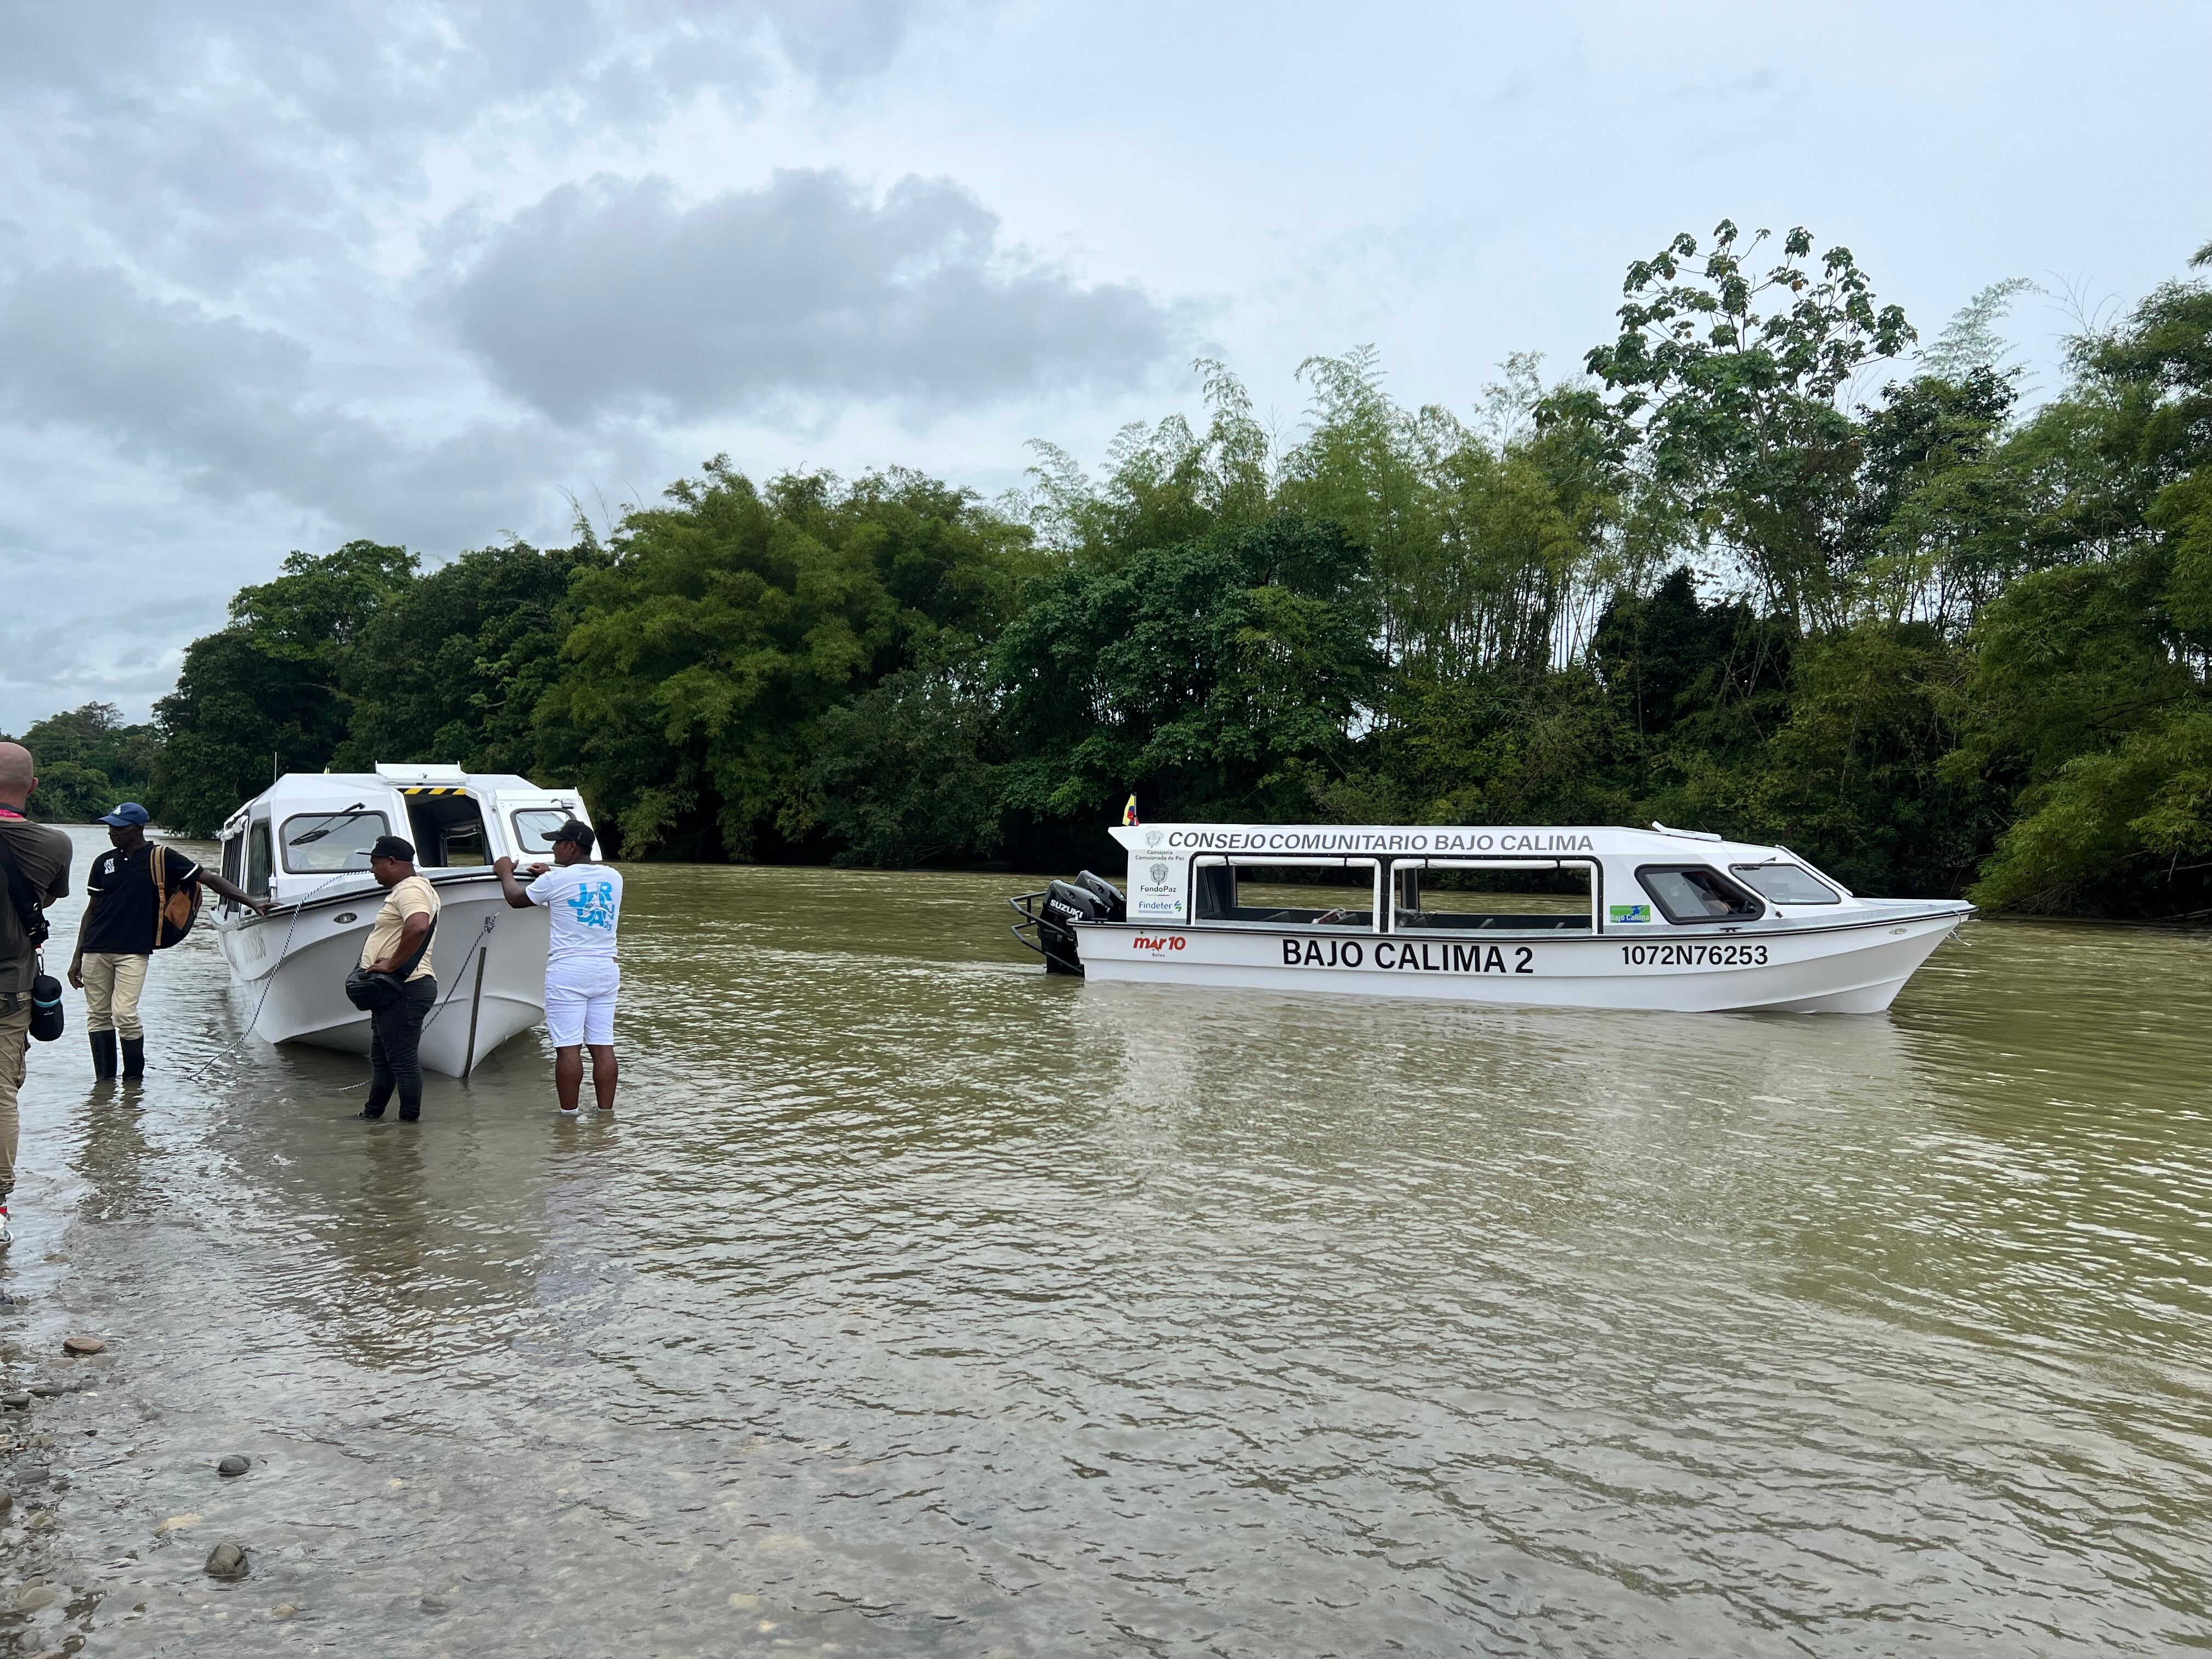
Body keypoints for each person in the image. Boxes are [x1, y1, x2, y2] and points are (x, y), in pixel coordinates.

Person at [69, 802, 270, 1081]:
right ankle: (104, 1086)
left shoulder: (162, 858)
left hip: (133, 951)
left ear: (137, 829)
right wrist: (77, 956)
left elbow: (211, 879)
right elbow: (91, 910)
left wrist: (253, 903)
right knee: (98, 1016)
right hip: (95, 950)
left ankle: (133, 1083)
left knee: (125, 1014)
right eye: (110, 827)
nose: (111, 832)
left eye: (118, 828)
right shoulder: (104, 862)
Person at [493, 820, 622, 1116]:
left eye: (557, 843)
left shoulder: (554, 882)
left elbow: (515, 899)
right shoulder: (614, 878)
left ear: (572, 847)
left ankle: (569, 1119)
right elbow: (581, 887)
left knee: (568, 1048)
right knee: (603, 1046)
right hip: (606, 969)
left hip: (569, 971)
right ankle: (605, 1116)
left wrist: (504, 872)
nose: (552, 849)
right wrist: (553, 875)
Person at [0, 743, 71, 1246]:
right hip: (11, 990)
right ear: (33, 787)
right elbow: (41, 899)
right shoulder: (55, 844)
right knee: (1, 1093)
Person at [358, 834, 439, 1123]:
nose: (372, 870)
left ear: (393, 862)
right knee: (383, 1060)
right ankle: (372, 1116)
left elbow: (418, 926)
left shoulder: (410, 890)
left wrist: (393, 963)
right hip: (395, 990)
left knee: (402, 1061)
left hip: (406, 987)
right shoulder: (413, 888)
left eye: (375, 864)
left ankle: (409, 1125)